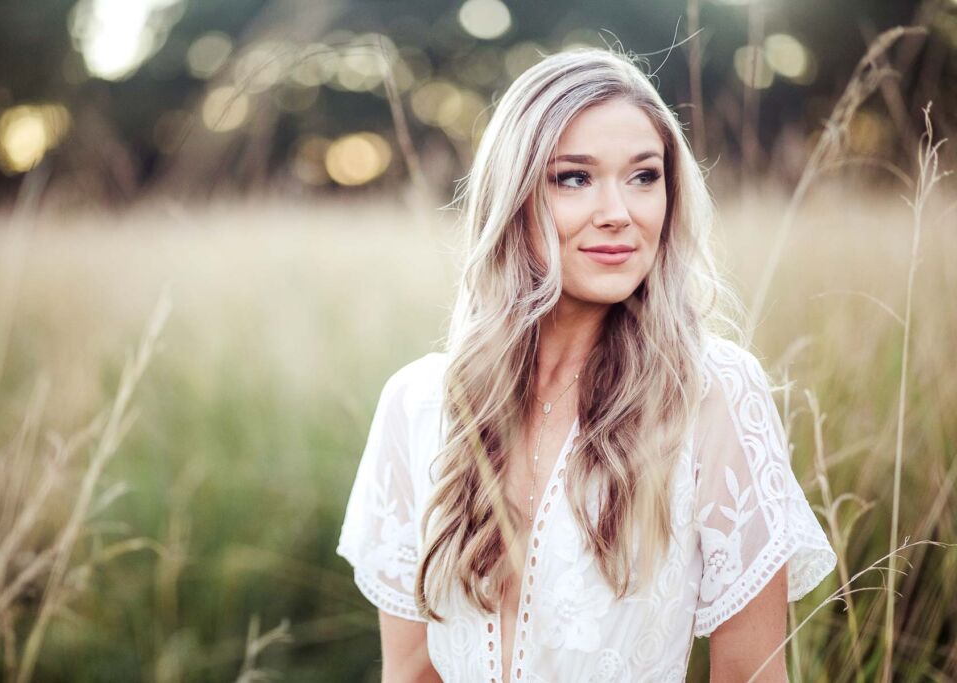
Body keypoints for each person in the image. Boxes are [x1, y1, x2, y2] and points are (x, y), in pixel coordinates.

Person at [336, 47, 837, 682]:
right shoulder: (419, 403)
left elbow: (751, 676)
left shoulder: (711, 393)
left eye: (644, 176)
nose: (618, 213)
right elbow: (410, 673)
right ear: (512, 197)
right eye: (574, 177)